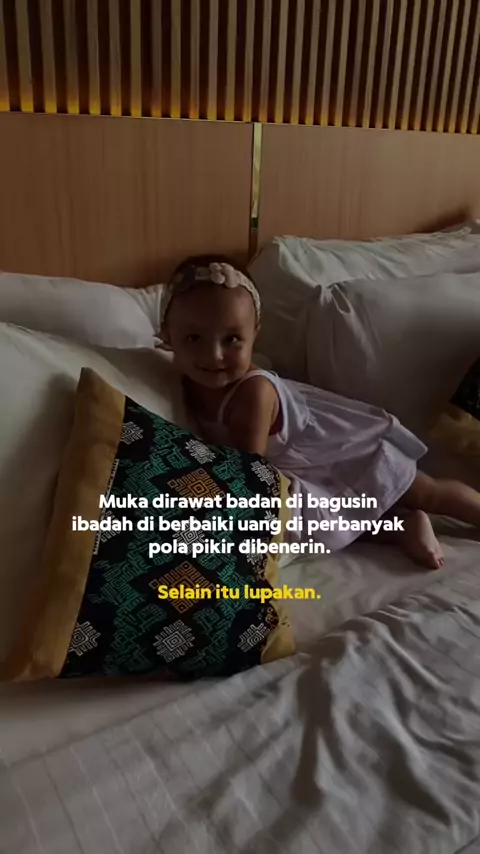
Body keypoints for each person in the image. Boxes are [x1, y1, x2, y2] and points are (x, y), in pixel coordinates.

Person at [160, 254, 480, 569]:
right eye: (194, 338)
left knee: (427, 492)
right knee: (338, 523)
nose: (214, 355)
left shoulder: (252, 393)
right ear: (167, 335)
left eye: (231, 339)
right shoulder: (174, 380)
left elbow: (247, 473)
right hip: (306, 468)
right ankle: (404, 526)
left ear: (255, 332)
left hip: (348, 447)